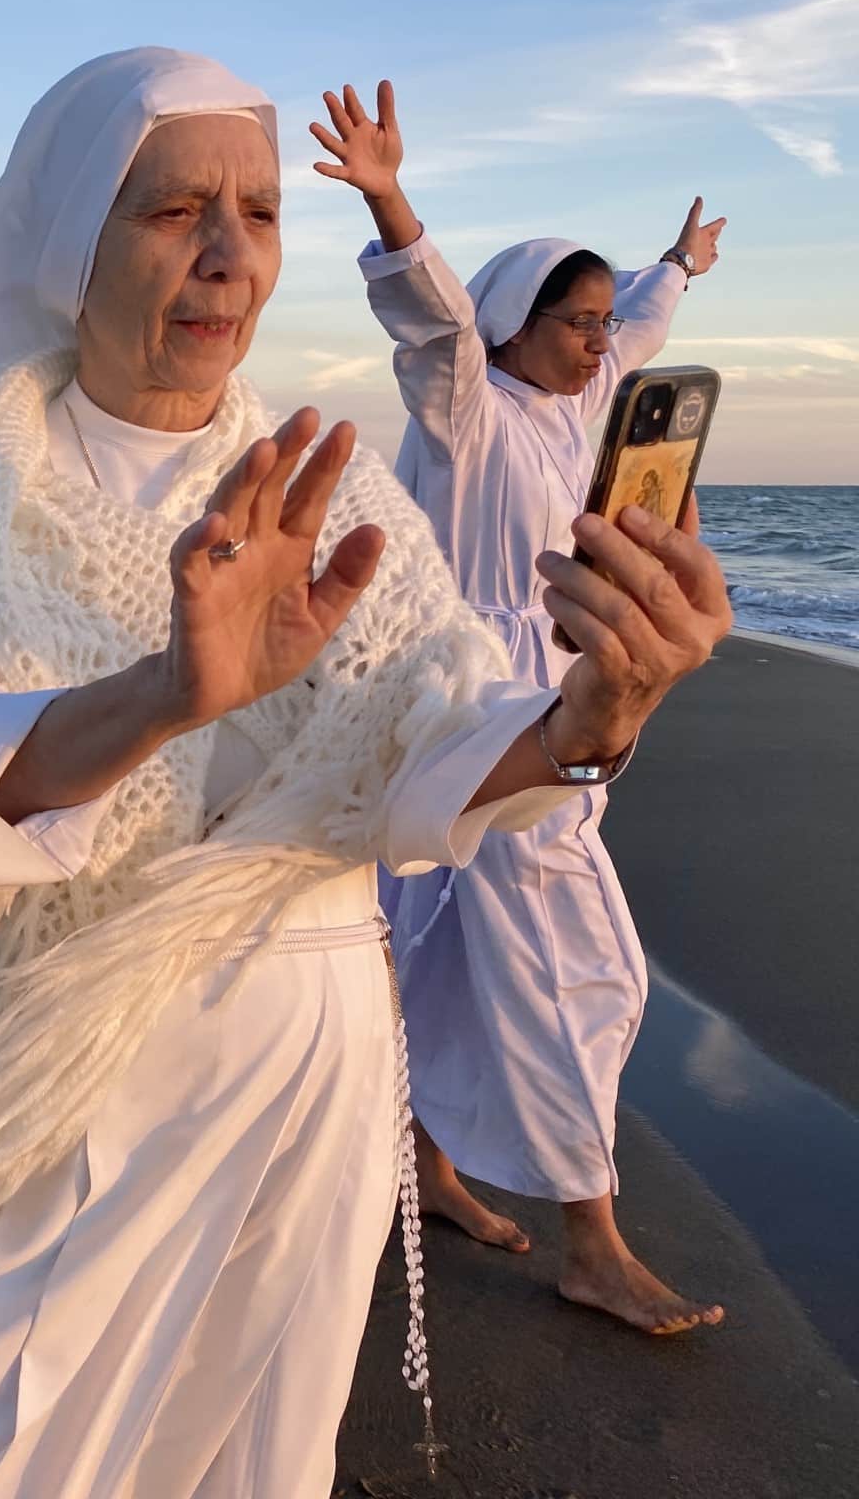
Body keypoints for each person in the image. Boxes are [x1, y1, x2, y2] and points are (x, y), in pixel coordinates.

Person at [0, 49, 731, 1499]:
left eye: (257, 210)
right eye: (172, 208)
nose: (227, 253)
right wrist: (164, 695)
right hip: (59, 1098)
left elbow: (434, 732)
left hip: (296, 1084)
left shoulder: (328, 476)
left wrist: (595, 713)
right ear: (76, 236)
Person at [312, 80, 727, 1334]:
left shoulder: (584, 405)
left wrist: (674, 266)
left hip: (560, 693)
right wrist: (390, 199)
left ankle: (424, 1171)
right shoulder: (469, 406)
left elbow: (646, 333)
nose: (601, 340)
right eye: (577, 320)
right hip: (463, 705)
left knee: (423, 947)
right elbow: (433, 321)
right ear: (515, 321)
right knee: (574, 962)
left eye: (604, 323)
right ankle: (591, 1239)